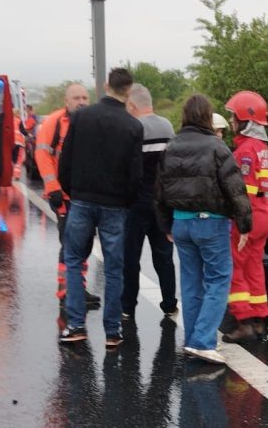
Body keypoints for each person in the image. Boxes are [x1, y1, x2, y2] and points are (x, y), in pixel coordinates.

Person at [155, 94, 251, 365]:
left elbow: (159, 191)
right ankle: (202, 341)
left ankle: (192, 340)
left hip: (181, 223)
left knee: (191, 282)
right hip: (211, 222)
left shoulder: (171, 147)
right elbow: (235, 188)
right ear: (208, 117)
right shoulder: (216, 147)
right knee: (219, 279)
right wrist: (244, 223)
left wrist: (166, 224)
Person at [57, 68, 143, 348]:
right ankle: (113, 331)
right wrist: (125, 202)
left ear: (106, 85)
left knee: (73, 260)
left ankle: (76, 325)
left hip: (82, 201)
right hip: (115, 206)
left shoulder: (81, 116)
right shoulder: (133, 127)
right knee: (114, 268)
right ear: (129, 91)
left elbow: (65, 160)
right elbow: (135, 175)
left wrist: (73, 190)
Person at [34, 83, 100, 310]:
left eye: (84, 98)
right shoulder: (55, 122)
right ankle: (66, 292)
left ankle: (76, 287)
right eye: (76, 98)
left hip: (85, 194)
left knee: (84, 243)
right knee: (72, 243)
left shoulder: (90, 122)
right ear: (66, 101)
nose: (81, 102)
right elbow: (42, 154)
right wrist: (53, 188)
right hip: (63, 195)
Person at [121, 83, 179, 322]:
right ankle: (169, 303)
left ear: (132, 105)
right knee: (164, 256)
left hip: (135, 203)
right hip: (162, 202)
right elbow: (173, 165)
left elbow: (125, 167)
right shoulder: (166, 125)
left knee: (130, 257)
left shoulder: (132, 128)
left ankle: (127, 305)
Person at [222, 90, 268, 342]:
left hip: (248, 214)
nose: (232, 122)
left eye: (234, 118)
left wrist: (239, 221)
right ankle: (259, 320)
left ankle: (242, 321)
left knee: (236, 267)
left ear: (246, 121)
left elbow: (240, 190)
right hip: (263, 213)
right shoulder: (263, 148)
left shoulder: (245, 151)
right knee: (255, 267)